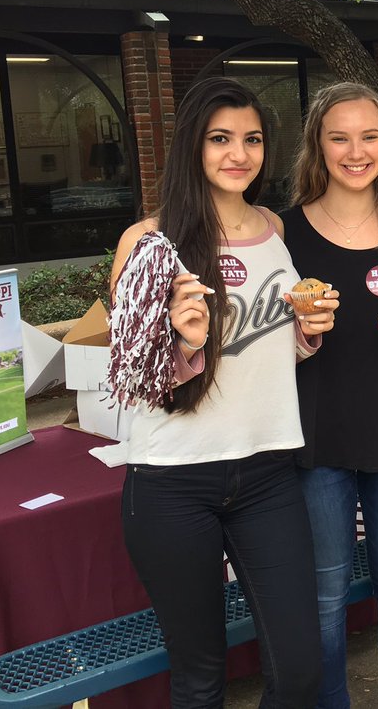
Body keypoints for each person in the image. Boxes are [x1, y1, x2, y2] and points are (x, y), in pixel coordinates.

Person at [110, 77, 333, 708]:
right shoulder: (149, 241)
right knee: (201, 678)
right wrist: (182, 344)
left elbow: (271, 349)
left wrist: (309, 334)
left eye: (253, 139)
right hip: (172, 479)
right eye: (220, 139)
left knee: (299, 672)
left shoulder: (273, 228)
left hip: (267, 472)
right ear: (192, 146)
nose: (239, 153)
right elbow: (129, 377)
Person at [282, 82, 378, 709]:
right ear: (318, 146)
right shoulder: (284, 233)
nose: (356, 151)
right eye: (339, 137)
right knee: (323, 598)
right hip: (315, 438)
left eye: (369, 136)